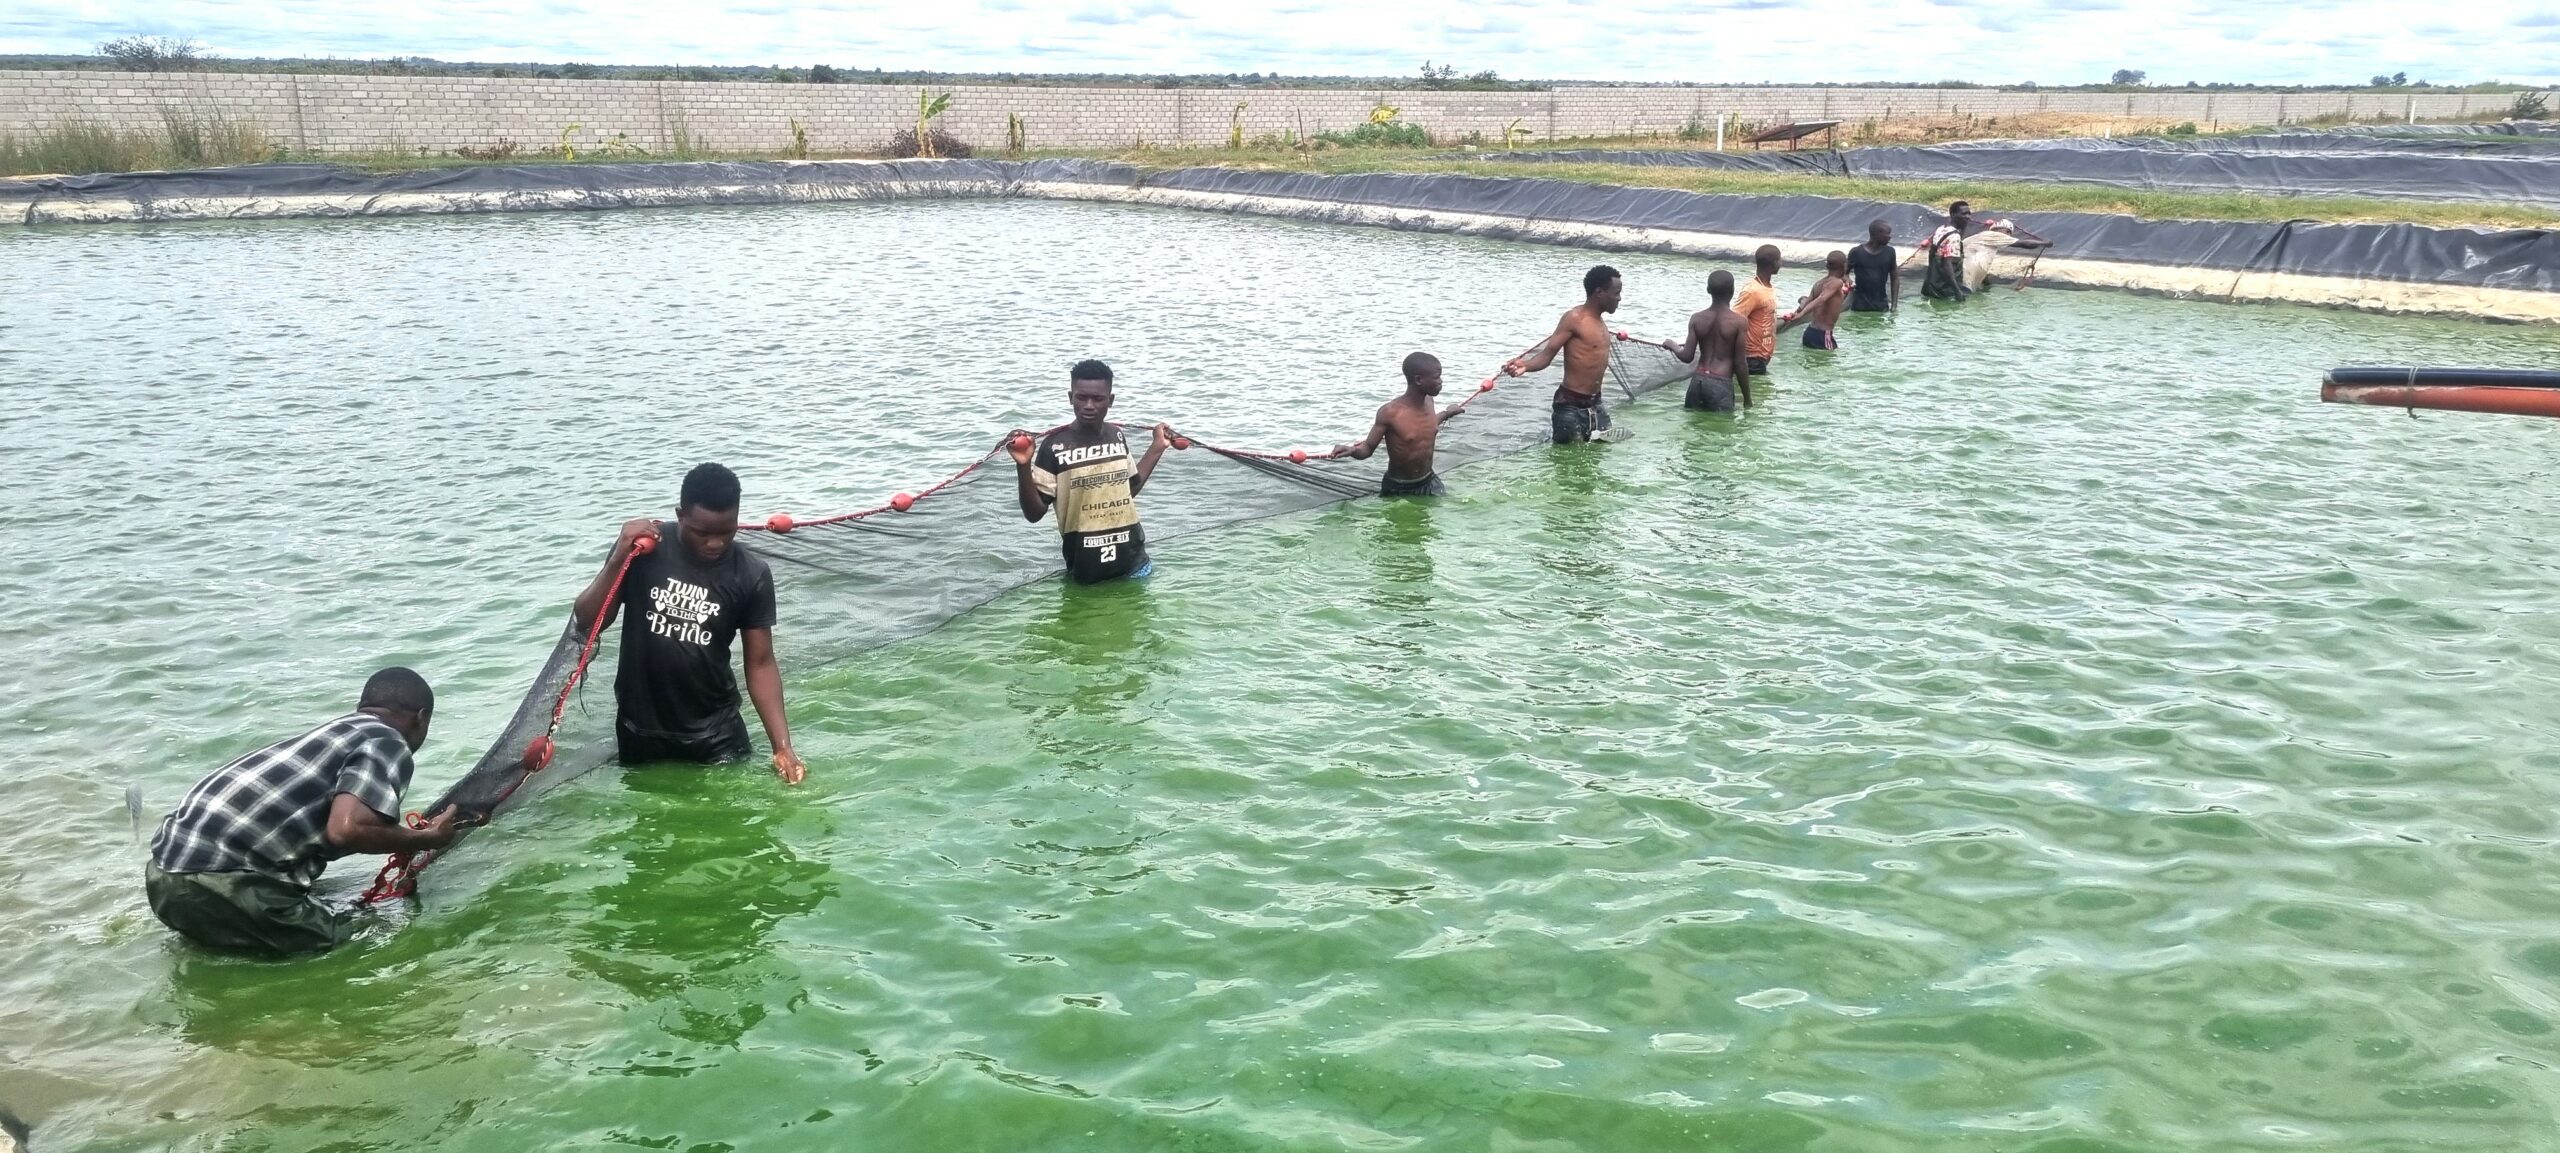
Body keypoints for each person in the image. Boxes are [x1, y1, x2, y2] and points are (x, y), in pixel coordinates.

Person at [146, 667, 465, 956]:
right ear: (421, 717)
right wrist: (428, 838)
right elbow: (347, 830)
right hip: (220, 886)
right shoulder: (388, 741)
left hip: (163, 879)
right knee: (368, 930)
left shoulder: (337, 732)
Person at [575, 462, 803, 784]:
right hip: (639, 730)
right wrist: (618, 558)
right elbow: (588, 621)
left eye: (727, 532)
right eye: (702, 533)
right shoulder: (643, 551)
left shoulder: (751, 574)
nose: (715, 543)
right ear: (680, 515)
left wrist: (782, 747)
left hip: (717, 735)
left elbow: (761, 663)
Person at [1012, 359, 1174, 584]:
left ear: (1110, 400)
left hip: (1135, 565)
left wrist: (1157, 447)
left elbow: (1129, 490)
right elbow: (1034, 514)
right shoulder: (1054, 446)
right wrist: (1023, 465)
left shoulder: (1116, 436)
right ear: (1071, 398)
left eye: (1098, 399)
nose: (1089, 405)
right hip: (1086, 572)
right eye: (1082, 397)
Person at [1506, 265, 1630, 445]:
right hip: (1570, 407)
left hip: (1596, 405)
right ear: (1599, 292)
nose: (1619, 298)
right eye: (1616, 293)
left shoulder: (1601, 323)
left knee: (1600, 454)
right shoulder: (1574, 319)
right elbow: (1547, 354)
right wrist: (1525, 365)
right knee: (1567, 459)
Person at [1335, 352, 1462, 496]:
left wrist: (1447, 413)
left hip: (1429, 481)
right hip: (1399, 487)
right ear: (1419, 380)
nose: (1440, 381)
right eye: (1436, 377)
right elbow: (1368, 448)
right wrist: (1352, 450)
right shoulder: (1390, 413)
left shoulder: (1429, 402)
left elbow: (1426, 427)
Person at [1660, 270, 1753, 413]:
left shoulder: (1696, 318)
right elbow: (1740, 363)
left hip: (1697, 382)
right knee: (1722, 426)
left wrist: (1673, 345)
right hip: (1720, 384)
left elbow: (1687, 356)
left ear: (1708, 290)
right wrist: (1747, 399)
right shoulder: (1739, 322)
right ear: (1732, 291)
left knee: (1694, 424)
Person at [1777, 251, 1853, 350]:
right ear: (1844, 265)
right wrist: (1801, 314)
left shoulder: (1819, 283)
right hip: (1823, 335)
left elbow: (1808, 301)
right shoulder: (1837, 283)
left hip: (1809, 332)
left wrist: (1797, 313)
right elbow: (1821, 299)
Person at [1736, 245, 1782, 376]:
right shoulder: (1752, 291)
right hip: (1751, 358)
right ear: (1773, 263)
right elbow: (1734, 319)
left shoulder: (1767, 287)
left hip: (1762, 357)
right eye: (1779, 260)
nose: (1781, 264)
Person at [1846, 219, 1900, 312]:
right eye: (1888, 233)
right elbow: (1843, 273)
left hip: (1881, 305)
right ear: (1877, 234)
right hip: (1860, 305)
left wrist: (1894, 305)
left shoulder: (1890, 252)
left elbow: (1894, 278)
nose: (1890, 237)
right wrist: (1850, 282)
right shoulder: (1856, 252)